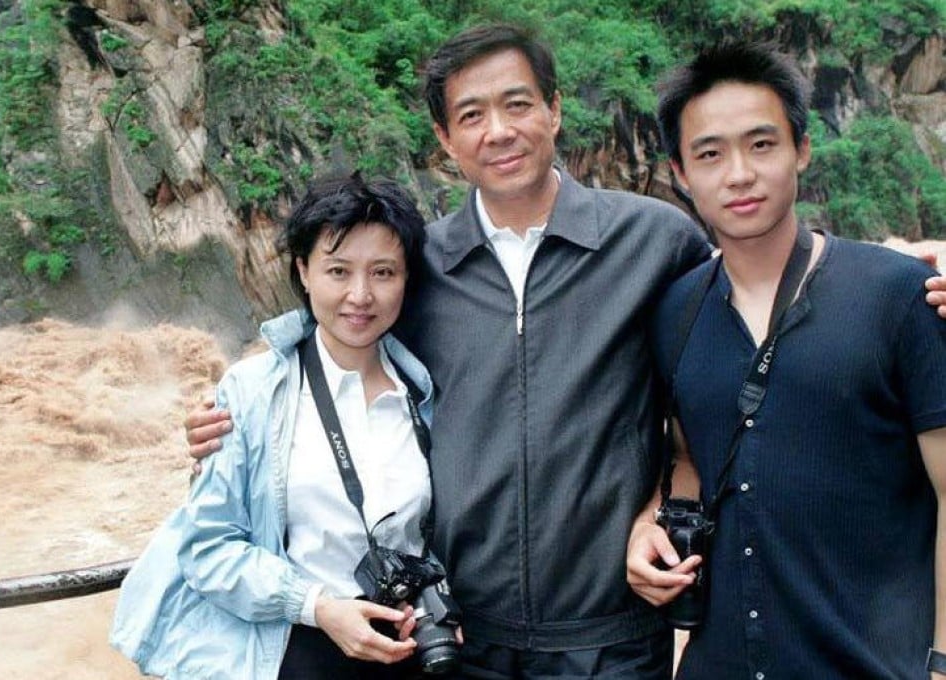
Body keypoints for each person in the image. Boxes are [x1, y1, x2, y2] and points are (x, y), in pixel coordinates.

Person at [184, 25, 946, 679]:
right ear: (445, 141)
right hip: (461, 636)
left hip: (613, 639)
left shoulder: (656, 240)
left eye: (518, 104)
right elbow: (340, 337)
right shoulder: (421, 268)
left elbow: (760, 296)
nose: (500, 130)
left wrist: (922, 278)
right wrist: (244, 407)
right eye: (471, 115)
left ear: (554, 110)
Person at [625, 41, 946, 680]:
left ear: (801, 147)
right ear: (680, 174)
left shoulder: (898, 295)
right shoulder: (675, 311)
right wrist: (647, 527)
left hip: (875, 663)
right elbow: (690, 453)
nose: (738, 174)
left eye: (762, 144)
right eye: (710, 154)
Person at [110, 173, 447, 679]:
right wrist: (316, 606)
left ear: (405, 280)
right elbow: (209, 548)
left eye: (383, 272)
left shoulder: (425, 394)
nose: (360, 295)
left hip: (407, 653)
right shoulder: (250, 392)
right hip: (295, 649)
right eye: (338, 271)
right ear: (304, 271)